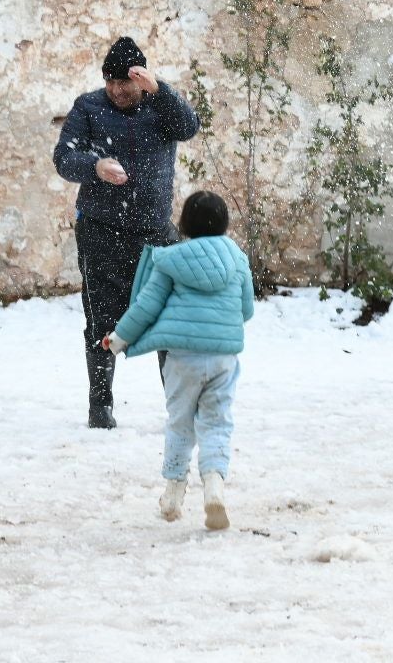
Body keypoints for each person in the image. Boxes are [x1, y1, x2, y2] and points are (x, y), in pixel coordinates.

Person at [52, 36, 201, 429]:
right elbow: (64, 158)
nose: (118, 90)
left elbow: (189, 127)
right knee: (102, 322)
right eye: (111, 81)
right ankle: (100, 408)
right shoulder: (89, 107)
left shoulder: (160, 107)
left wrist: (161, 90)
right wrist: (96, 166)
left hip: (155, 234)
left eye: (127, 82)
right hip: (101, 231)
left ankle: (178, 409)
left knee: (168, 322)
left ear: (143, 80)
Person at [105, 191, 253, 531]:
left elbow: (145, 307)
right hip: (223, 359)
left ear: (184, 224)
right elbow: (247, 309)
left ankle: (172, 494)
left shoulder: (169, 260)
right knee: (217, 423)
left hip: (182, 360)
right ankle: (214, 487)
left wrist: (118, 339)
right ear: (225, 223)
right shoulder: (237, 259)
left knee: (180, 423)